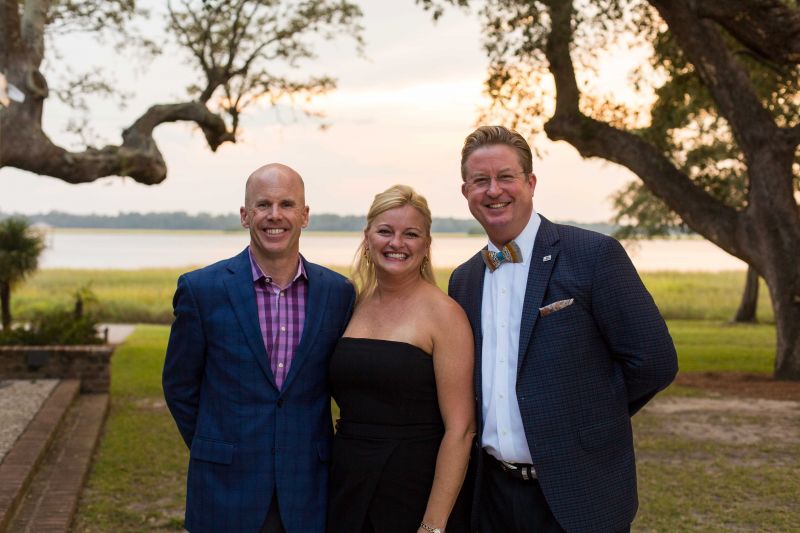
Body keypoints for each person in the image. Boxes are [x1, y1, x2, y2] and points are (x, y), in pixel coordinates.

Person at [448, 126, 679, 533]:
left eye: (506, 177)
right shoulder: (465, 280)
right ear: (466, 191)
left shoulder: (592, 255)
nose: (493, 190)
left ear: (530, 182)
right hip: (491, 498)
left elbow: (654, 362)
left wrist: (588, 418)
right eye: (480, 181)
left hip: (580, 491)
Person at [163, 163, 355, 533]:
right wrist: (217, 445)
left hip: (308, 488)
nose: (275, 216)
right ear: (244, 215)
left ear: (305, 215)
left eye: (286, 204)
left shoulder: (338, 293)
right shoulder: (202, 289)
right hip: (223, 487)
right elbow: (179, 387)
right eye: (263, 204)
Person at [327, 185, 476, 533]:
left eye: (411, 234)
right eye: (385, 231)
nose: (397, 243)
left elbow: (461, 430)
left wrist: (433, 525)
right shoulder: (353, 303)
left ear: (426, 245)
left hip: (414, 490)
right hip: (346, 484)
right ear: (367, 238)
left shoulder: (445, 315)